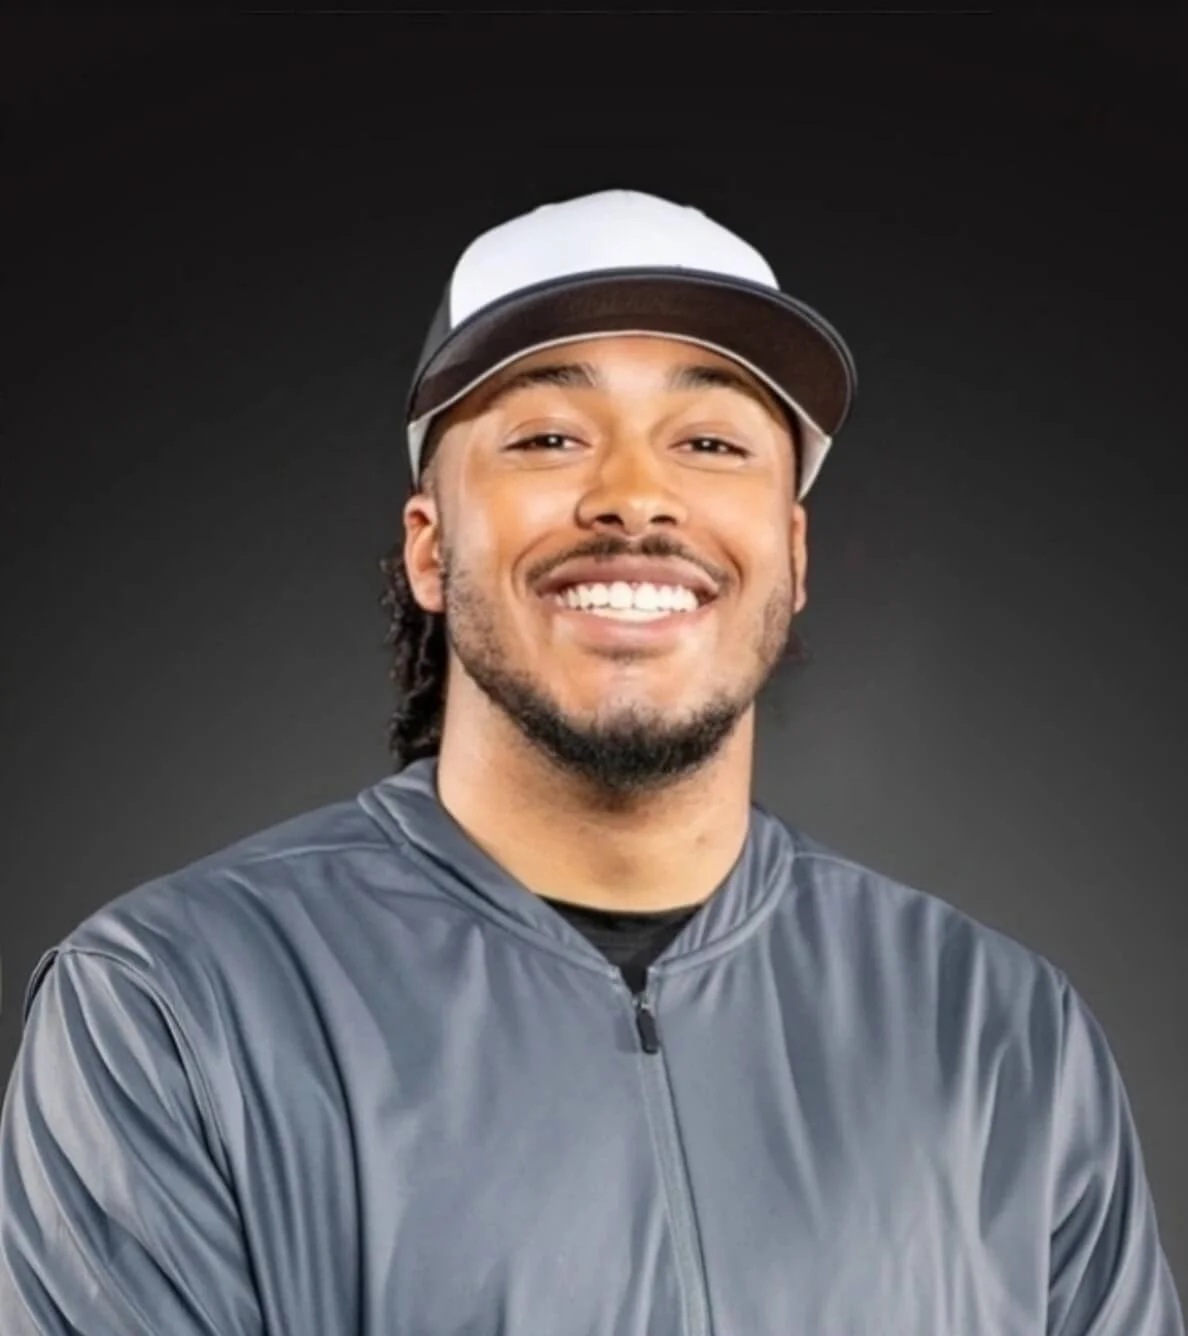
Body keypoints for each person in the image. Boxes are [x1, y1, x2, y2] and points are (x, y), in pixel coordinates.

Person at [0, 189, 1181, 1336]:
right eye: (549, 436)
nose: (633, 497)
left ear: (792, 552)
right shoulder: (175, 1005)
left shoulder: (1000, 1033)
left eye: (711, 439)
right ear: (429, 543)